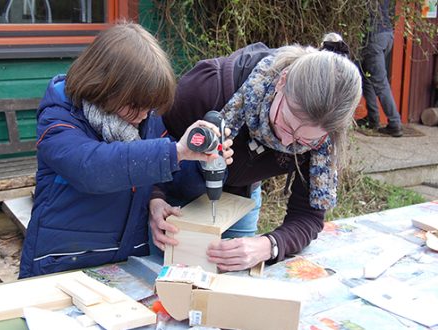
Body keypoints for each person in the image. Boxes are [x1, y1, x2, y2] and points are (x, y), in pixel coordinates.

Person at [19, 22, 233, 278]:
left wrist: (203, 162)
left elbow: (175, 180)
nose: (144, 116)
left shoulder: (144, 119)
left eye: (148, 107)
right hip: (60, 264)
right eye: (136, 105)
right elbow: (93, 168)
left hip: (123, 264)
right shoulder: (59, 119)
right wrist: (176, 151)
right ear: (104, 86)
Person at [149, 34, 362, 272]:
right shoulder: (209, 88)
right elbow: (153, 140)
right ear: (282, 82)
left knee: (232, 278)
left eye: (305, 141)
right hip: (176, 189)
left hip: (241, 196)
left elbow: (308, 215)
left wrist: (267, 245)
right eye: (287, 125)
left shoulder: (325, 139)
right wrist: (155, 196)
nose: (287, 141)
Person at [357, 0, 403, 137]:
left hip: (374, 37)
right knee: (368, 77)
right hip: (387, 34)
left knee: (380, 83)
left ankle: (395, 124)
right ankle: (373, 118)